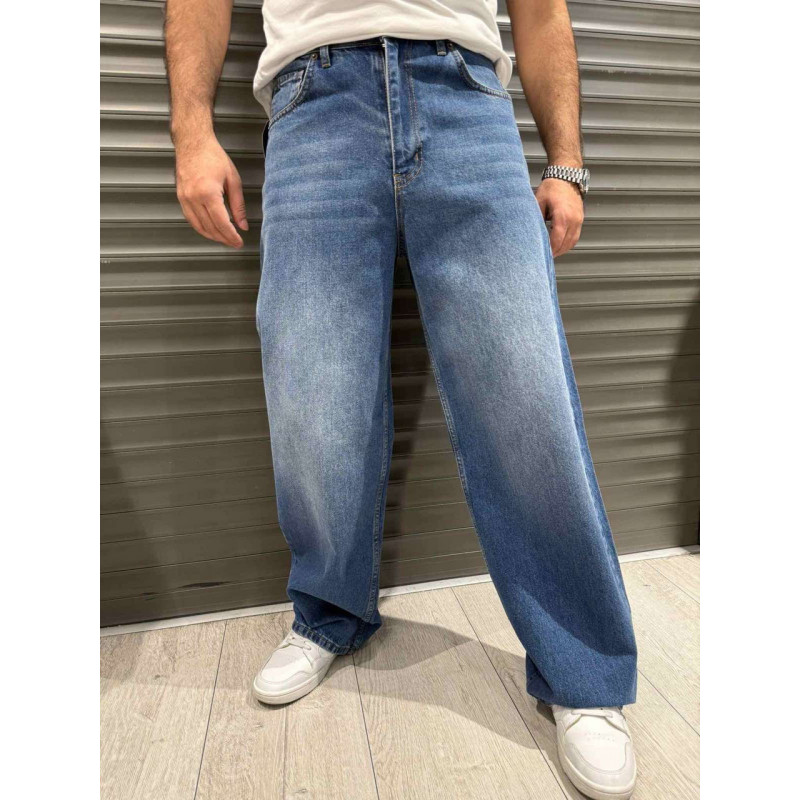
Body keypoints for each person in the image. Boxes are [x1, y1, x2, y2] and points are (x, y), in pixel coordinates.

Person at [165, 1, 638, 797]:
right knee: (313, 394)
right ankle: (329, 612)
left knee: (525, 392)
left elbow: (541, 10)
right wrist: (191, 133)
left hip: (465, 95)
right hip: (312, 101)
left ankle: (585, 670)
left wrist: (565, 162)